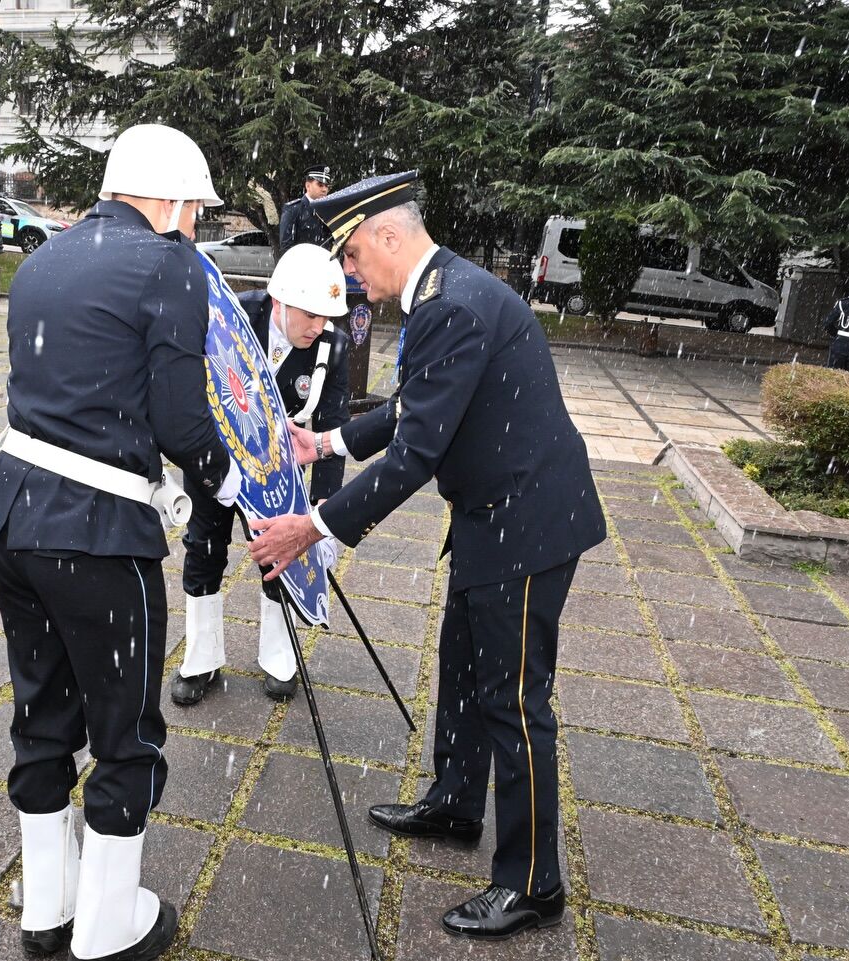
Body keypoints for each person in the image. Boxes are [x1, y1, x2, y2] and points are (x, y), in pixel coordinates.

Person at [246, 170, 606, 942]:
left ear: (385, 234)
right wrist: (328, 441)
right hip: (496, 517)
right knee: (461, 660)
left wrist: (311, 526)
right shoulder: (446, 294)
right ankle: (454, 799)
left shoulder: (451, 306)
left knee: (513, 700)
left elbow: (413, 454)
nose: (350, 276)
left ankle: (533, 881)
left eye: (349, 258)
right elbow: (416, 403)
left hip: (527, 525)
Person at [0, 123, 240, 961]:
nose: (195, 223)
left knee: (44, 714)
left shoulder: (45, 255)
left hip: (10, 520)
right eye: (195, 207)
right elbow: (178, 415)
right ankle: (106, 931)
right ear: (166, 199)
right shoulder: (169, 264)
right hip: (93, 537)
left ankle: (46, 912)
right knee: (127, 735)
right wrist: (222, 479)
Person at [172, 243, 352, 706]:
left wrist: (323, 516)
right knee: (203, 550)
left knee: (280, 558)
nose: (319, 326)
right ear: (279, 300)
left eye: (327, 315)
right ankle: (202, 657)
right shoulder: (230, 320)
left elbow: (331, 432)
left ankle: (278, 658)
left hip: (277, 471)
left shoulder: (332, 347)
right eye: (310, 312)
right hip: (216, 461)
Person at [278, 164, 333, 254]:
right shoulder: (293, 209)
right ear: (308, 186)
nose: (324, 189)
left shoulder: (327, 210)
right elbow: (286, 247)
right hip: (302, 265)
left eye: (326, 186)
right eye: (320, 185)